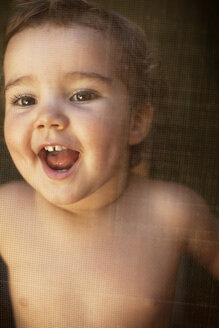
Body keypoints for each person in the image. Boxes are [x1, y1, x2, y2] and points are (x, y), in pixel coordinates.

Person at [0, 0, 218, 327]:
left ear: (136, 121)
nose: (48, 118)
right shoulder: (7, 211)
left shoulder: (171, 212)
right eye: (25, 99)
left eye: (82, 95)